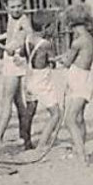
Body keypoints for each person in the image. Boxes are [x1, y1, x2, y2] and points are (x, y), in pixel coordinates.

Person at [35, 3, 93, 166]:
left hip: (80, 81)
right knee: (79, 118)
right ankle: (79, 149)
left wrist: (59, 60)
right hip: (84, 79)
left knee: (69, 119)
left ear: (70, 24)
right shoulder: (87, 38)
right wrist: (59, 57)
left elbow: (69, 61)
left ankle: (82, 156)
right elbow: (74, 57)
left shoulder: (77, 42)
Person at [0, 0, 33, 143]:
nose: (16, 10)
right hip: (9, 60)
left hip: (15, 61)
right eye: (12, 7)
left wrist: (19, 50)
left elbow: (29, 37)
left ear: (24, 5)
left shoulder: (24, 20)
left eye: (19, 6)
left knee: (6, 99)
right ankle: (24, 135)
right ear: (6, 8)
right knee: (17, 100)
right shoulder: (11, 18)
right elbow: (10, 34)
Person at [19, 18, 63, 151]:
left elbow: (22, 53)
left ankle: (26, 141)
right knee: (56, 114)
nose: (53, 30)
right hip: (42, 80)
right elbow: (52, 61)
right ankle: (42, 144)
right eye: (51, 27)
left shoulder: (28, 39)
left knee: (30, 111)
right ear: (45, 27)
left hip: (29, 78)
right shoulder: (46, 44)